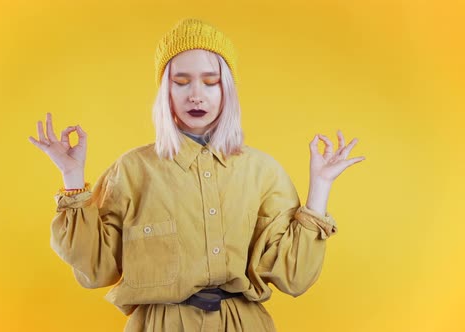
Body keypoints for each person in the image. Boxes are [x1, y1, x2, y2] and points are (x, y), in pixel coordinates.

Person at [29, 17, 365, 332]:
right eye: (181, 81)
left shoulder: (262, 172)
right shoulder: (131, 170)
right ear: (166, 92)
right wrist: (72, 176)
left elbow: (294, 278)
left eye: (210, 81)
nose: (196, 94)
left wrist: (321, 187)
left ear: (226, 89)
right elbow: (95, 269)